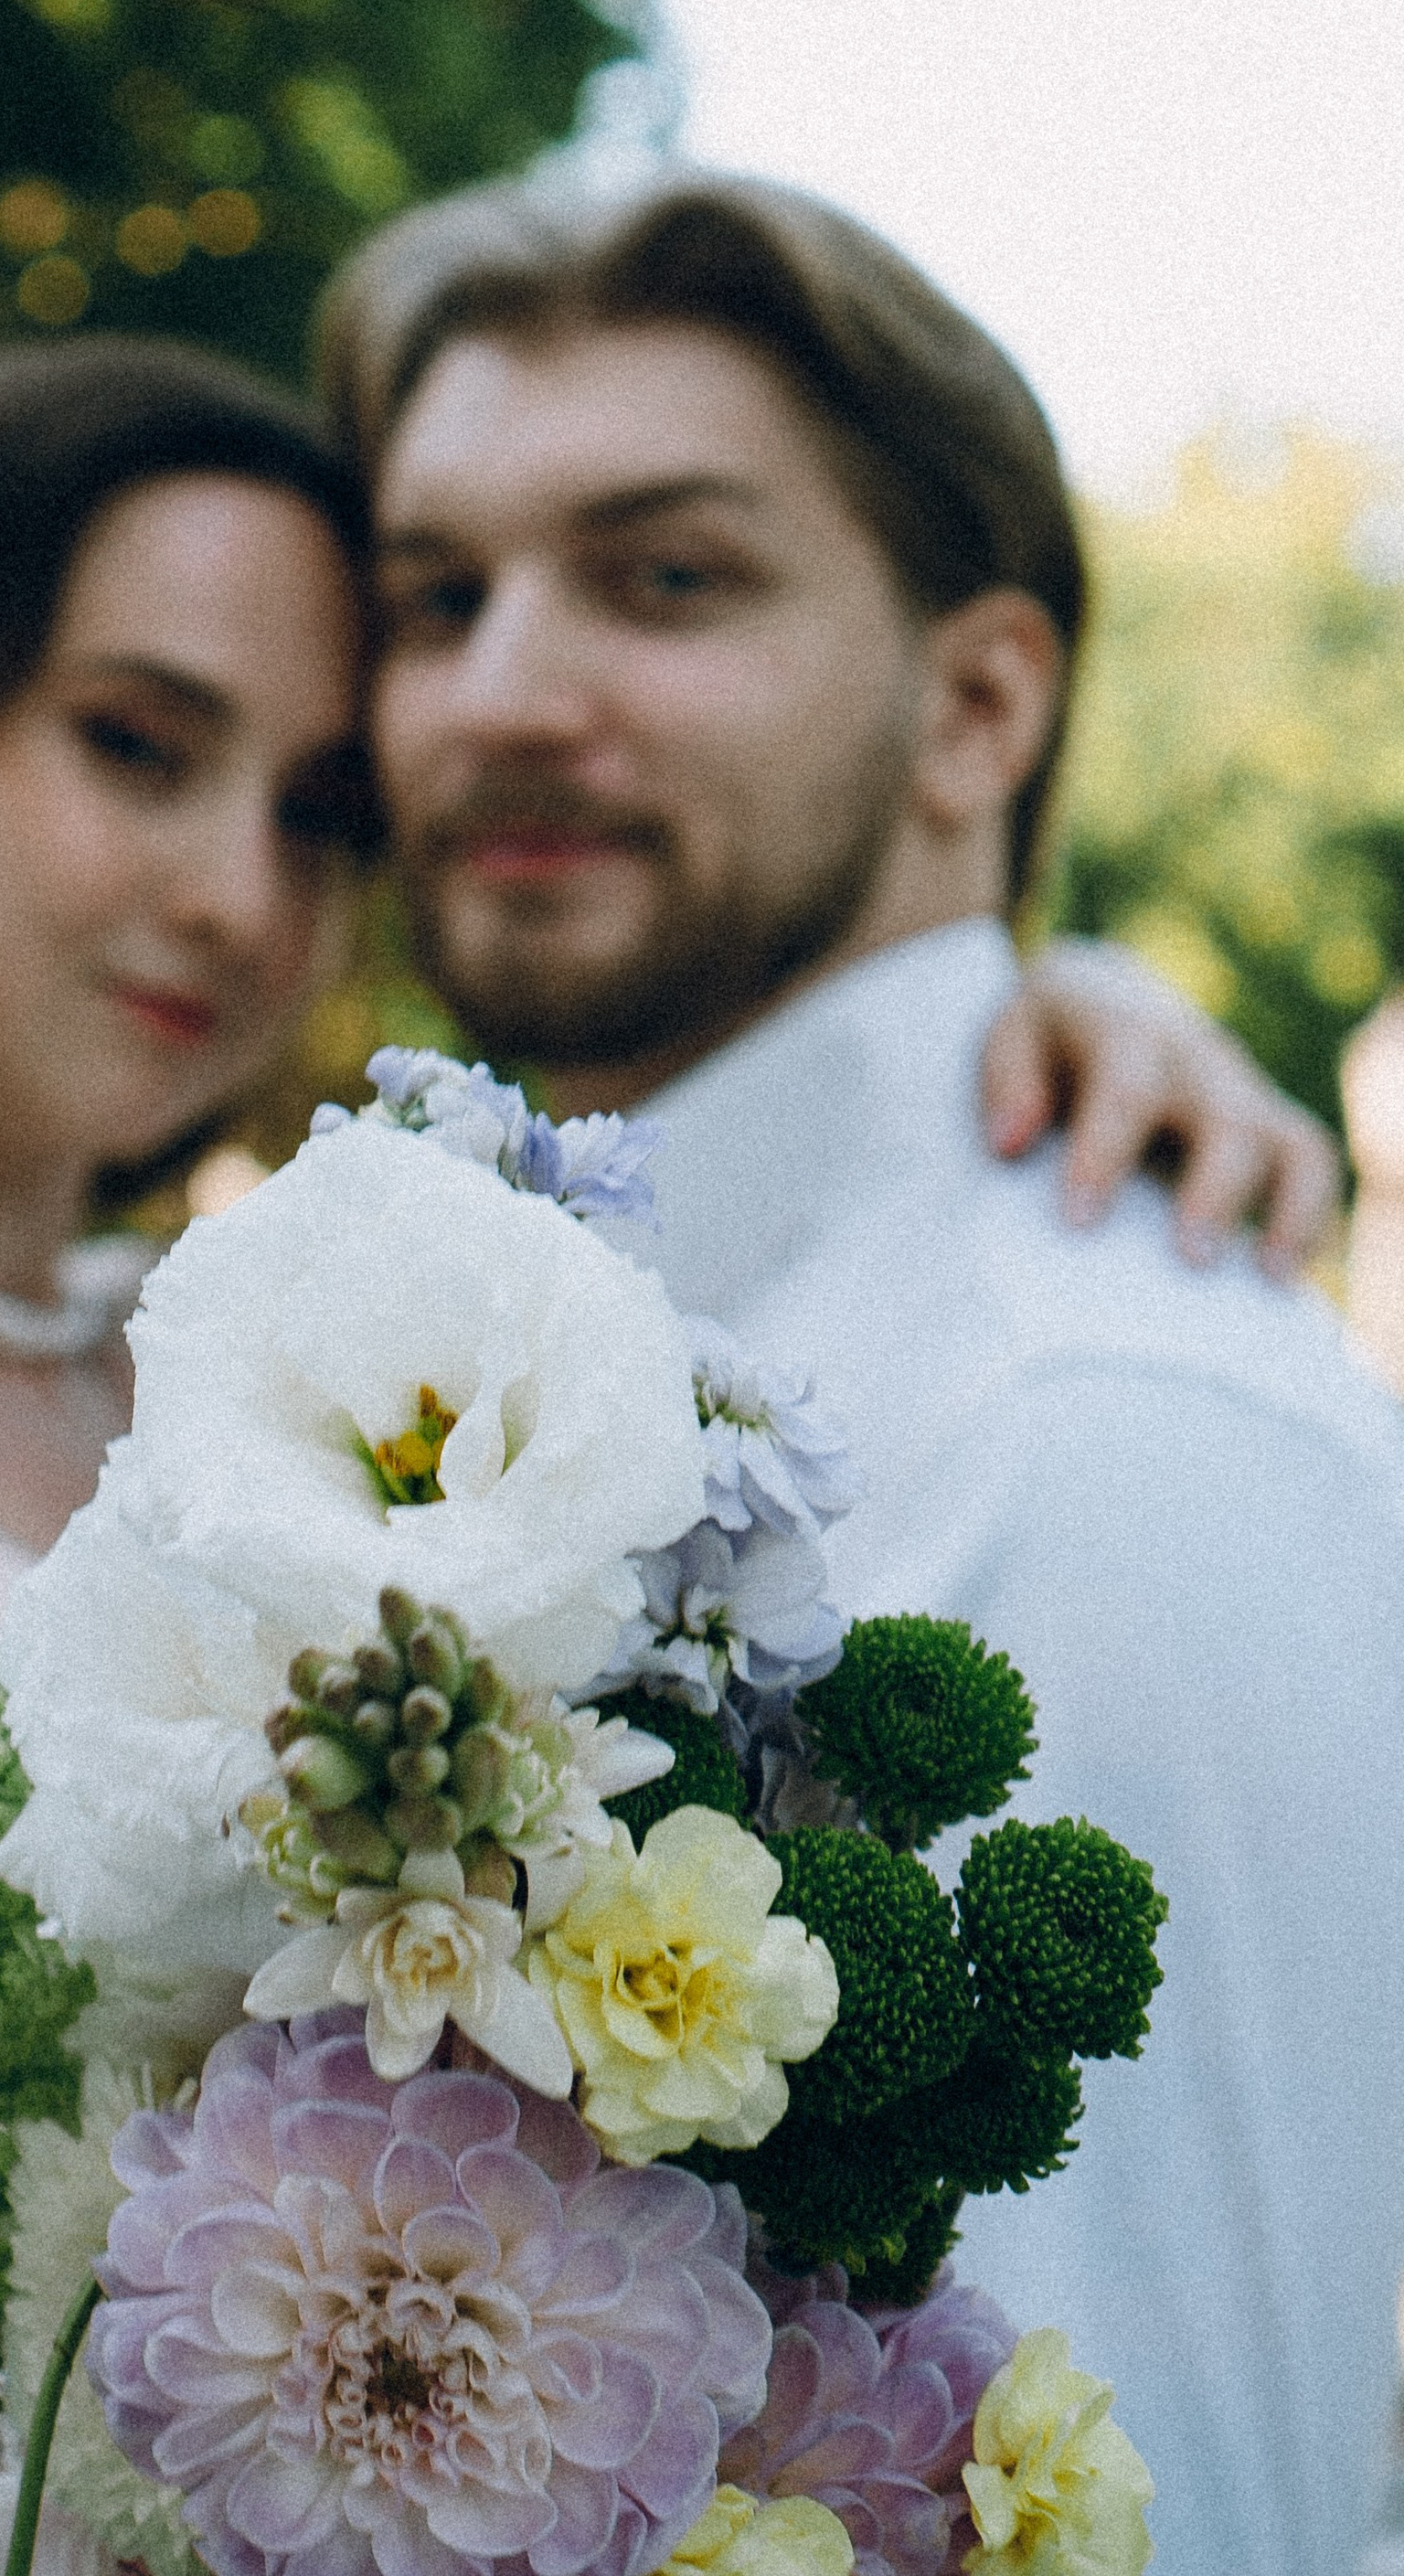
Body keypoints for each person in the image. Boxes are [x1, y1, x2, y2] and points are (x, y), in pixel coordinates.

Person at [0, 325, 1325, 2571]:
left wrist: (1002, 1012)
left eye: (313, 813)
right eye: (135, 745)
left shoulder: (191, 1345)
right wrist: (65, 2519)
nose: (233, 896)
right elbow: (200, 1871)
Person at [320, 165, 1404, 2576]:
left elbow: (1118, 2503)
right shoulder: (514, 1359)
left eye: (666, 578)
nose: (500, 688)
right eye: (435, 598)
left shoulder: (1093, 1441)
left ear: (979, 701)